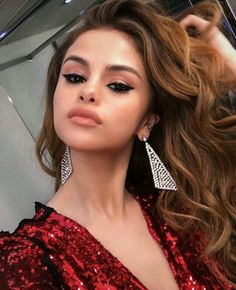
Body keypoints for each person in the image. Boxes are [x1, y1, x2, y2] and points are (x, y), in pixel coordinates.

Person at [0, 0, 235, 289]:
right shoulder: (26, 261)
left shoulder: (179, 211)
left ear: (146, 121)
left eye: (118, 85)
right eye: (74, 77)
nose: (88, 91)